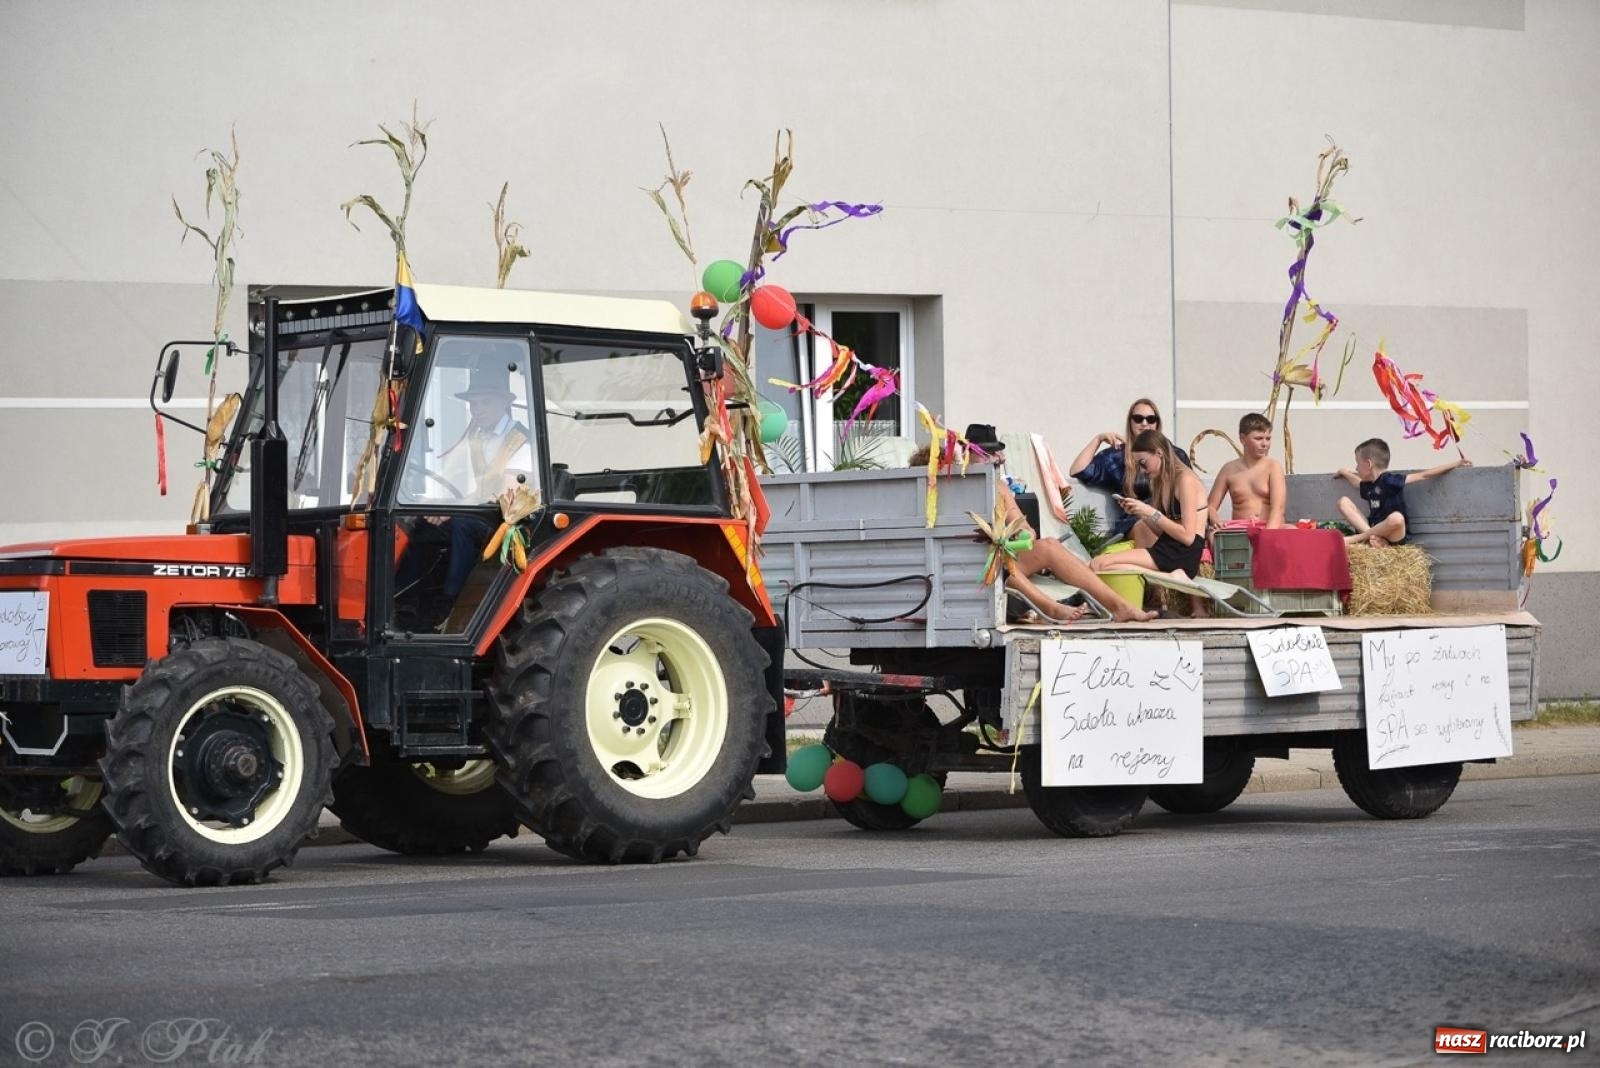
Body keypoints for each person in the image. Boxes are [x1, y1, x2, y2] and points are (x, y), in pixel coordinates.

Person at [917, 430, 1157, 625]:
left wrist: (1022, 533)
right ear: (968, 454)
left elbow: (1021, 523)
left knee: (1048, 547)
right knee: (1009, 573)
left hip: (1000, 562)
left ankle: (1119, 606)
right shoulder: (942, 487)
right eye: (987, 453)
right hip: (958, 568)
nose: (996, 458)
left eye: (996, 452)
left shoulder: (998, 485)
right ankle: (1052, 608)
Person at [395, 360, 535, 629]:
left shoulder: (521, 440)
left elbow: (505, 495)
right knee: (420, 523)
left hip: (507, 519)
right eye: (474, 404)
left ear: (503, 402)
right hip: (479, 510)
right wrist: (437, 505)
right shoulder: (477, 436)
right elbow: (463, 482)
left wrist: (453, 509)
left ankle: (452, 600)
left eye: (484, 403)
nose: (477, 410)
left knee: (461, 524)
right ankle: (406, 601)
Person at [1090, 430, 1208, 580]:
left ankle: (1169, 576)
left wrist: (1151, 512)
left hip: (1183, 553)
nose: (1142, 470)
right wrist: (1140, 513)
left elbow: (1188, 537)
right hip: (1168, 547)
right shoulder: (1161, 482)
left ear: (1159, 453)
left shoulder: (1185, 480)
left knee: (1099, 564)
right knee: (1100, 565)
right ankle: (1168, 577)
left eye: (1143, 463)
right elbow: (1163, 533)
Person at [1069, 398, 1192, 539]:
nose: (1144, 423)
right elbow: (1077, 470)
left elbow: (1191, 495)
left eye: (1151, 419)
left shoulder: (1175, 454)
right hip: (1137, 521)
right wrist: (1098, 439)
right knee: (1146, 527)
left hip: (1171, 519)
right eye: (1138, 419)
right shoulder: (1118, 455)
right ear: (1130, 422)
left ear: (1157, 423)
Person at [1334, 437, 1469, 548]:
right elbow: (1356, 482)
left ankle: (1356, 539)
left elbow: (1424, 475)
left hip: (1394, 532)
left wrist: (1456, 463)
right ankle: (1376, 540)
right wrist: (1344, 472)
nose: (1356, 468)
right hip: (1373, 529)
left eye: (1357, 463)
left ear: (1368, 464)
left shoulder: (1390, 480)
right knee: (1343, 502)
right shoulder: (1368, 485)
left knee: (1397, 518)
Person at [1205, 412, 1286, 530]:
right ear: (1242, 438)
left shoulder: (1273, 466)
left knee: (1292, 530)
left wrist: (1268, 535)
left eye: (1268, 439)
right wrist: (1216, 521)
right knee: (1213, 536)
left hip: (1270, 527)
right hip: (1240, 530)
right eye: (1258, 438)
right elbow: (1210, 507)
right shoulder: (1229, 469)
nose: (1264, 444)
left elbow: (1278, 509)